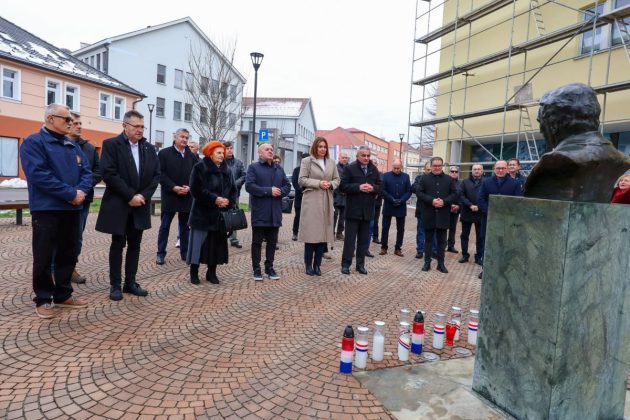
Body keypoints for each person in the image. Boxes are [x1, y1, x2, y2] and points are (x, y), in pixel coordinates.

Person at [20, 104, 92, 318]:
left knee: (68, 252)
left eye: (71, 119)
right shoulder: (34, 142)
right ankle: (43, 298)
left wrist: (81, 191)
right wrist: (70, 194)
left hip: (71, 208)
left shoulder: (71, 145)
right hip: (47, 209)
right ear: (50, 118)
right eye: (66, 119)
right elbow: (39, 175)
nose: (70, 123)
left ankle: (63, 295)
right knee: (43, 255)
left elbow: (87, 172)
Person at [524, 83, 630, 202]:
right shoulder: (619, 158)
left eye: (541, 123)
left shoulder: (555, 161)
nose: (540, 130)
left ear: (554, 124)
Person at [96, 110, 160, 301]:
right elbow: (109, 173)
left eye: (142, 126)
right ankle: (115, 285)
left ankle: (130, 282)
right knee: (118, 244)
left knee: (135, 245)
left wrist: (142, 196)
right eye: (136, 126)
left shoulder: (148, 148)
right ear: (125, 126)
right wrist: (130, 196)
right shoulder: (111, 145)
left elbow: (156, 175)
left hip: (140, 204)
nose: (140, 130)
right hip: (119, 203)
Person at [186, 141, 238, 284]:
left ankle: (212, 272)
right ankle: (194, 272)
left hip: (220, 216)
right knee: (198, 245)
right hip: (202, 214)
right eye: (219, 152)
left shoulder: (227, 170)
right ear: (210, 153)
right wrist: (214, 199)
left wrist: (228, 201)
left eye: (223, 153)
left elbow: (233, 190)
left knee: (216, 246)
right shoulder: (200, 167)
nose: (222, 155)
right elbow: (195, 190)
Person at [245, 144, 291, 281]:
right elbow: (249, 186)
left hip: (275, 212)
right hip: (260, 212)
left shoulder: (279, 169)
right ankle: (256, 269)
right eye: (267, 149)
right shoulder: (253, 167)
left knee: (272, 243)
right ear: (260, 153)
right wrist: (268, 191)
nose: (270, 151)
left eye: (271, 149)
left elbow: (287, 185)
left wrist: (280, 192)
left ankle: (269, 267)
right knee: (257, 242)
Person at [298, 137, 341, 276]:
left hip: (326, 200)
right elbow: (301, 179)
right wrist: (319, 183)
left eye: (324, 146)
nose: (323, 149)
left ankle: (317, 265)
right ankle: (308, 265)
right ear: (315, 147)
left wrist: (331, 184)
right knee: (311, 234)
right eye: (320, 146)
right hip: (312, 200)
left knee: (323, 234)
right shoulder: (307, 161)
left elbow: (337, 179)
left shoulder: (331, 162)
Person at [68, 111, 101, 284]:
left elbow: (98, 171)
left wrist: (82, 190)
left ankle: (71, 268)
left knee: (77, 236)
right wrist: (70, 192)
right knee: (58, 236)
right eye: (75, 123)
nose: (79, 126)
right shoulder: (60, 145)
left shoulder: (89, 148)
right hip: (62, 199)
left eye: (80, 123)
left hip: (84, 200)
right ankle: (53, 269)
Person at [155, 129, 197, 265]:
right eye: (182, 137)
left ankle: (185, 253)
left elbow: (196, 175)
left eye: (186, 137)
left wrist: (190, 187)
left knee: (185, 227)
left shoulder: (191, 156)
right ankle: (160, 253)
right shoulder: (164, 153)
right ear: (175, 137)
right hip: (170, 196)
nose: (184, 140)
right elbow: (160, 174)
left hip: (186, 196)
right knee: (165, 226)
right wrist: (173, 187)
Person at [339, 146, 382, 275]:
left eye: (368, 156)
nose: (366, 158)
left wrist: (373, 188)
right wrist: (359, 187)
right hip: (353, 211)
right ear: (357, 156)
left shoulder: (373, 169)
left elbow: (381, 187)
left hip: (367, 211)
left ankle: (360, 265)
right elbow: (342, 186)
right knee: (350, 241)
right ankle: (346, 264)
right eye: (363, 155)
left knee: (363, 241)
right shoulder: (350, 168)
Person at [478, 160, 523, 278]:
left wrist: (506, 214)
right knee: (487, 244)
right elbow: (481, 199)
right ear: (494, 169)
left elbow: (518, 201)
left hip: (507, 221)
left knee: (505, 246)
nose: (500, 170)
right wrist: (490, 213)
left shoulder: (515, 183)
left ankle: (502, 271)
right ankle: (485, 269)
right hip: (488, 220)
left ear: (507, 169)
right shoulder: (486, 182)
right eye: (498, 168)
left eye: (503, 168)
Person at [417, 157, 458, 273]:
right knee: (428, 240)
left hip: (443, 214)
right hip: (428, 213)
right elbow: (419, 193)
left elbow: (454, 194)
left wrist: (444, 202)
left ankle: (441, 264)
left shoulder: (449, 179)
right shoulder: (424, 178)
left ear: (442, 166)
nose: (437, 168)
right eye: (435, 165)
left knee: (442, 241)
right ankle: (427, 263)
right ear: (431, 166)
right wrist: (432, 201)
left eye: (439, 165)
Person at [379, 159, 412, 257]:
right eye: (394, 168)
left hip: (401, 205)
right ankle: (384, 247)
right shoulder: (386, 176)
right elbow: (383, 190)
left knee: (400, 229)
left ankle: (398, 248)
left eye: (398, 168)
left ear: (401, 167)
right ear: (392, 167)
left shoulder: (406, 176)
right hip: (388, 204)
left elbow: (409, 191)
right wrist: (391, 199)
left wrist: (402, 200)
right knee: (385, 227)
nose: (396, 170)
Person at [458, 164, 484, 265]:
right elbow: (461, 195)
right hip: (467, 212)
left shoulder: (486, 182)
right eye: (474, 169)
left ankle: (479, 256)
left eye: (479, 169)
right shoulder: (465, 182)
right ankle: (465, 255)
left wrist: (478, 206)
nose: (476, 171)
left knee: (480, 237)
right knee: (464, 235)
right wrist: (470, 205)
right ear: (471, 171)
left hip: (480, 213)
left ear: (482, 171)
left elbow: (487, 196)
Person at [412, 162, 437, 259]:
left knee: (434, 231)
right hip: (422, 210)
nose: (429, 171)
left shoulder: (437, 179)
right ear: (424, 169)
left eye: (431, 169)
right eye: (428, 170)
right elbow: (414, 188)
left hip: (434, 210)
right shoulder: (419, 178)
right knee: (421, 231)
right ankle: (420, 251)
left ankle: (433, 251)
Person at [224, 141, 246, 248]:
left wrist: (235, 183)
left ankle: (233, 239)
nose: (229, 150)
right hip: (221, 193)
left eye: (231, 148)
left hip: (234, 194)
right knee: (222, 215)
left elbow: (244, 176)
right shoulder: (220, 161)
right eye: (227, 148)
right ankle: (220, 238)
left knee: (234, 215)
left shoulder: (239, 162)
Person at [333, 153, 349, 240]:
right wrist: (338, 191)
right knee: (334, 215)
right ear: (339, 158)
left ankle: (339, 233)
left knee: (343, 216)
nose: (345, 159)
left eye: (346, 158)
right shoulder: (335, 168)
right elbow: (335, 181)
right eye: (343, 158)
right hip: (336, 196)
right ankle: (331, 233)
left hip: (346, 197)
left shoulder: (349, 169)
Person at [446, 165, 461, 253]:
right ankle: (442, 245)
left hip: (456, 209)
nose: (454, 173)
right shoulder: (445, 182)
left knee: (453, 228)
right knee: (443, 228)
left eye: (456, 172)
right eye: (452, 171)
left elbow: (462, 195)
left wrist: (458, 206)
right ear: (449, 173)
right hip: (445, 208)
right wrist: (450, 205)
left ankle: (451, 246)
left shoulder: (461, 184)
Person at [370, 158, 383, 247]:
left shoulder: (381, 174)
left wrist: (378, 193)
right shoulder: (368, 174)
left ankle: (375, 237)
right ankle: (368, 236)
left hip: (378, 201)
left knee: (376, 220)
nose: (374, 164)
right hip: (369, 201)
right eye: (373, 163)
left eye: (376, 163)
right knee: (369, 221)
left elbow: (382, 187)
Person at [291, 164, 303, 241]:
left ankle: (305, 233)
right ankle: (295, 233)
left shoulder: (311, 169)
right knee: (298, 216)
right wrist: (301, 190)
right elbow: (294, 182)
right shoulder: (297, 170)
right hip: (299, 197)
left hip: (309, 197)